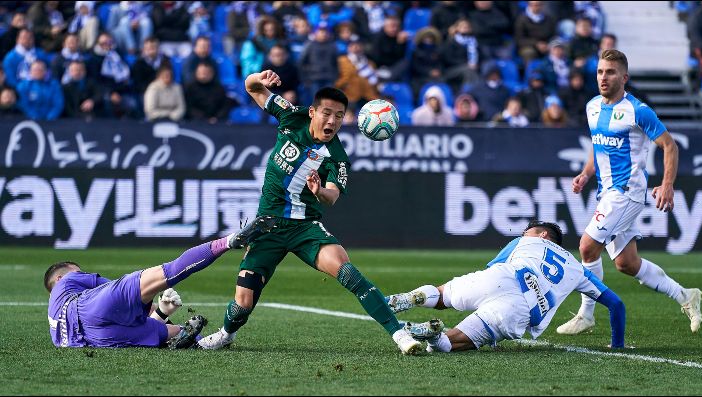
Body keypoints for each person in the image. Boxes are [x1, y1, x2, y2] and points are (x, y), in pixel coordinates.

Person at [197, 70, 423, 355]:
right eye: (327, 113)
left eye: (339, 116)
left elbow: (332, 196)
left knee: (348, 271)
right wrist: (259, 78)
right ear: (313, 111)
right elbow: (251, 88)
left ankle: (400, 335)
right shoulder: (292, 116)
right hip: (267, 226)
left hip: (305, 227)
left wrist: (319, 192)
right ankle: (226, 334)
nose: (332, 121)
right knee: (243, 300)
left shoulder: (337, 157)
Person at [556, 49, 702, 335]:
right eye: (599, 71)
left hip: (626, 193)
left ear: (624, 77)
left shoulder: (638, 110)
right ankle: (686, 296)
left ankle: (586, 314)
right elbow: (597, 144)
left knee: (587, 246)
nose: (603, 77)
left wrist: (667, 184)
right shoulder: (592, 107)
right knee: (626, 263)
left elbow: (669, 145)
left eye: (610, 72)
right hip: (606, 192)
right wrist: (586, 174)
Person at [386, 221, 626, 352]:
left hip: (503, 277)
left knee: (443, 295)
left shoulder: (524, 241)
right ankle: (435, 335)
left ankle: (415, 296)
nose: (524, 231)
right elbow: (616, 304)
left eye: (529, 228)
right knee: (452, 344)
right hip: (522, 310)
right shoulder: (578, 269)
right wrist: (617, 345)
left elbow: (493, 267)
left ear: (543, 234)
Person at [45, 218, 277, 348]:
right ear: (60, 277)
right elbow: (112, 292)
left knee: (172, 334)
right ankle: (227, 242)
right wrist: (149, 302)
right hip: (88, 308)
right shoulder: (67, 282)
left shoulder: (54, 321)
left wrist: (162, 312)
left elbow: (115, 316)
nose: (81, 273)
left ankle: (206, 342)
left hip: (93, 339)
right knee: (171, 271)